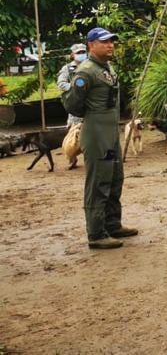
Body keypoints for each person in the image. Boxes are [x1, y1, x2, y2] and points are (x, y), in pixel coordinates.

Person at [61, 27, 137, 250]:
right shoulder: (86, 72)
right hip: (96, 134)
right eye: (105, 41)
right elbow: (72, 103)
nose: (110, 44)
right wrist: (91, 116)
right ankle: (96, 233)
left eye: (112, 41)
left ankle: (112, 224)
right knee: (98, 182)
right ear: (91, 45)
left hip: (110, 134)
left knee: (114, 177)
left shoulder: (106, 68)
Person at [57, 43, 89, 126]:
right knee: (75, 134)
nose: (81, 54)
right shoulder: (67, 68)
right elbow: (61, 83)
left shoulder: (91, 66)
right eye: (78, 53)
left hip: (92, 106)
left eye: (83, 52)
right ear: (73, 54)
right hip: (76, 108)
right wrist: (74, 88)